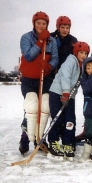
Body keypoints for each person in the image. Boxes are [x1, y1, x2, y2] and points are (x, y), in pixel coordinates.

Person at [18, 11, 58, 155]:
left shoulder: (52, 41)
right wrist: (40, 41)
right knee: (32, 106)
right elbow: (28, 56)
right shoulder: (26, 37)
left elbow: (55, 58)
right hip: (29, 79)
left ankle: (39, 138)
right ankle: (25, 138)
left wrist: (49, 66)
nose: (41, 26)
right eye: (38, 23)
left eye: (44, 24)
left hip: (45, 78)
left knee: (45, 106)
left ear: (47, 25)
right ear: (34, 24)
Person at [47, 41, 90, 161]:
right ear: (76, 52)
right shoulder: (71, 60)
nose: (83, 55)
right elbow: (65, 75)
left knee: (70, 120)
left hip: (70, 96)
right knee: (57, 118)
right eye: (81, 52)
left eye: (85, 53)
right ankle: (53, 141)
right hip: (57, 93)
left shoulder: (82, 65)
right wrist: (65, 92)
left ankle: (68, 143)